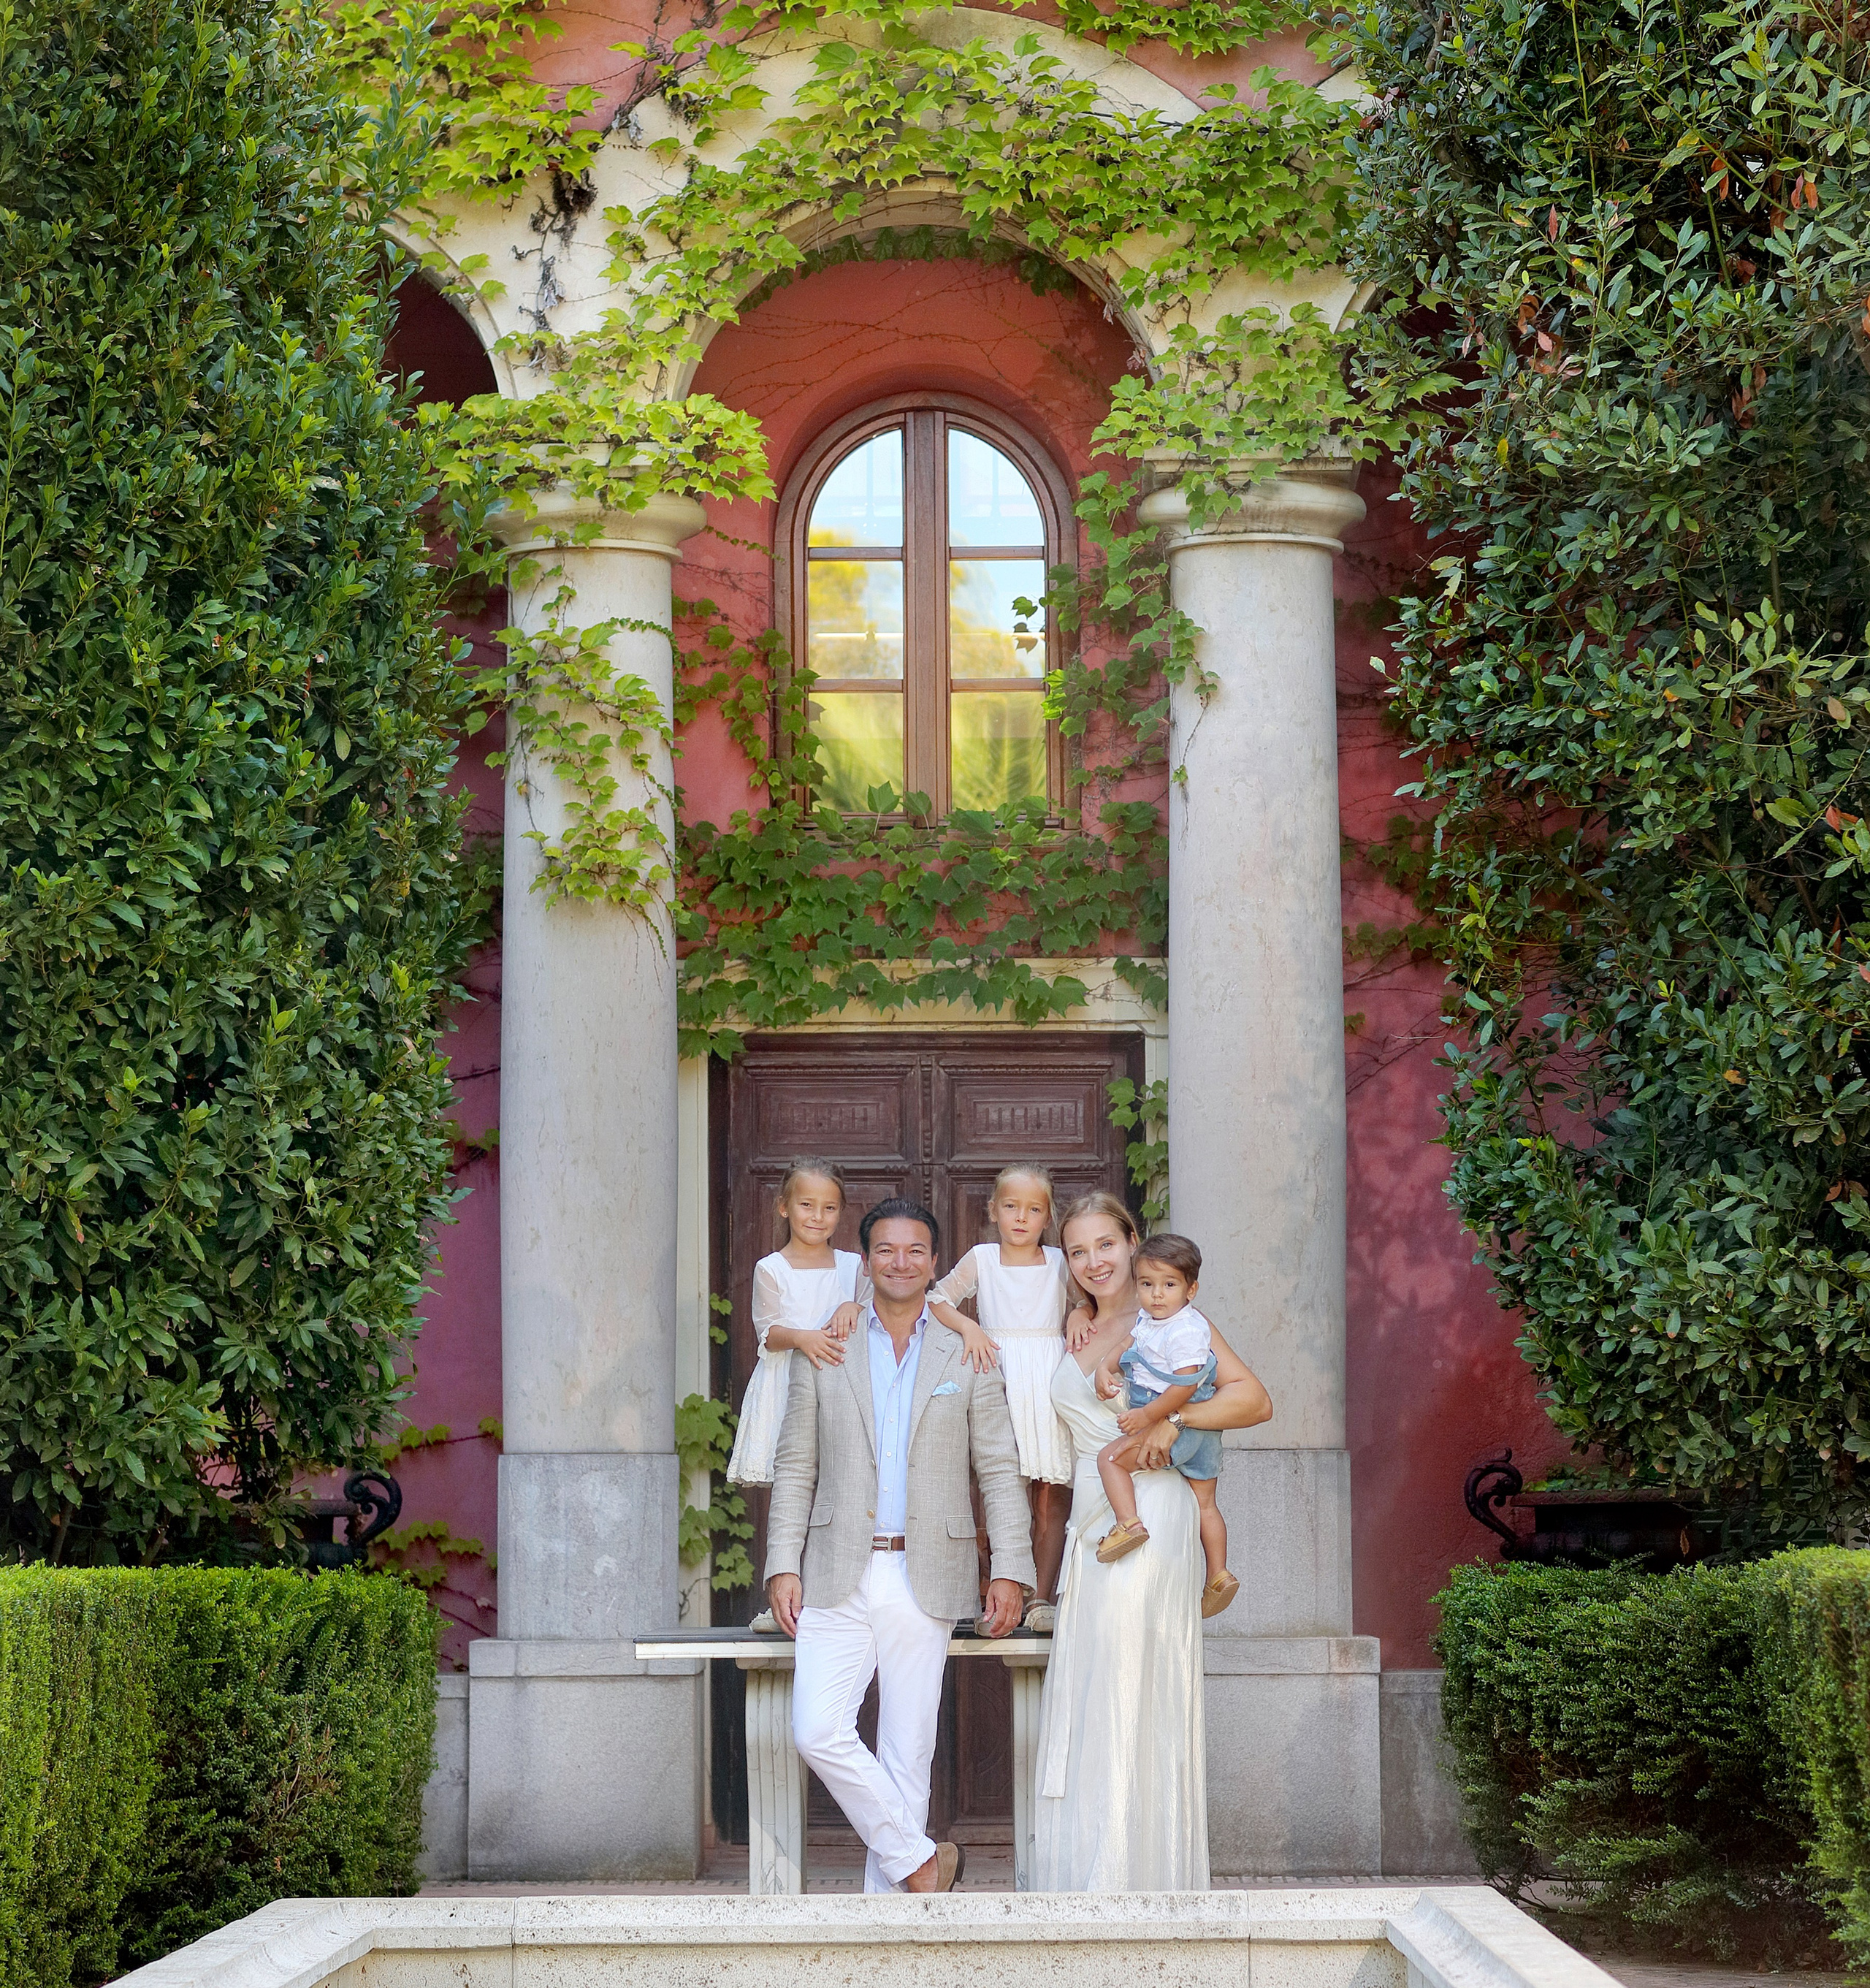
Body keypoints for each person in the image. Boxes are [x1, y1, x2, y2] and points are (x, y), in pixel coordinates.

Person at [766, 1197, 1037, 1894]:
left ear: (935, 1262)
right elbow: (796, 1463)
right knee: (817, 1728)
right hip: (834, 1568)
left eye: (915, 1250)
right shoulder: (826, 1346)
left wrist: (1010, 1566)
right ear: (866, 1260)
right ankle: (921, 1863)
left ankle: (895, 1922)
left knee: (907, 1752)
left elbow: (1000, 1470)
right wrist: (782, 1562)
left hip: (930, 1567)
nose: (900, 1261)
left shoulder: (966, 1350)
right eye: (885, 1249)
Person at [1032, 1191, 1271, 1892]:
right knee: (1096, 1685)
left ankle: (1133, 1880)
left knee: (1131, 1678)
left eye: (1106, 1244)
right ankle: (1087, 1880)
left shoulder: (1171, 1317)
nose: (1093, 1261)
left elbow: (1254, 1398)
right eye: (1077, 1250)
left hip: (1154, 1508)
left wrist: (1178, 1421)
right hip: (1093, 1514)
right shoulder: (1075, 1326)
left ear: (1133, 1242)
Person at [834, 1163, 1072, 1627]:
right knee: (995, 1484)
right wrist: (969, 1327)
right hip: (994, 1365)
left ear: (1047, 1218)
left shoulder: (1060, 1263)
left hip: (1045, 1377)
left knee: (1049, 1490)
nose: (1021, 1218)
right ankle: (991, 1588)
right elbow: (937, 1296)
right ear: (993, 1211)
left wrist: (1080, 1315)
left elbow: (1087, 1300)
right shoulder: (983, 1257)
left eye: (1034, 1210)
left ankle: (1039, 1597)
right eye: (1011, 1207)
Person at [1091, 1233, 1235, 1618]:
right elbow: (1128, 1343)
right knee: (1205, 1503)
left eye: (1169, 1285)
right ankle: (1219, 1574)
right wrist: (1105, 1366)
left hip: (1180, 1424)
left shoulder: (1186, 1329)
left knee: (1109, 1459)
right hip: (1202, 1431)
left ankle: (1128, 1524)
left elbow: (1187, 1384)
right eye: (1147, 1284)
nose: (1156, 1295)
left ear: (1191, 1290)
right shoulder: (1151, 1320)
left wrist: (1147, 1416)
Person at [726, 1158, 867, 1489]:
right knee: (793, 1480)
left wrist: (854, 1305)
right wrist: (804, 1338)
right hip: (786, 1383)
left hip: (841, 1383)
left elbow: (878, 1310)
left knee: (839, 1481)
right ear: (784, 1207)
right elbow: (769, 1333)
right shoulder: (772, 1269)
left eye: (829, 1208)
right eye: (807, 1205)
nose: (818, 1217)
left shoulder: (852, 1267)